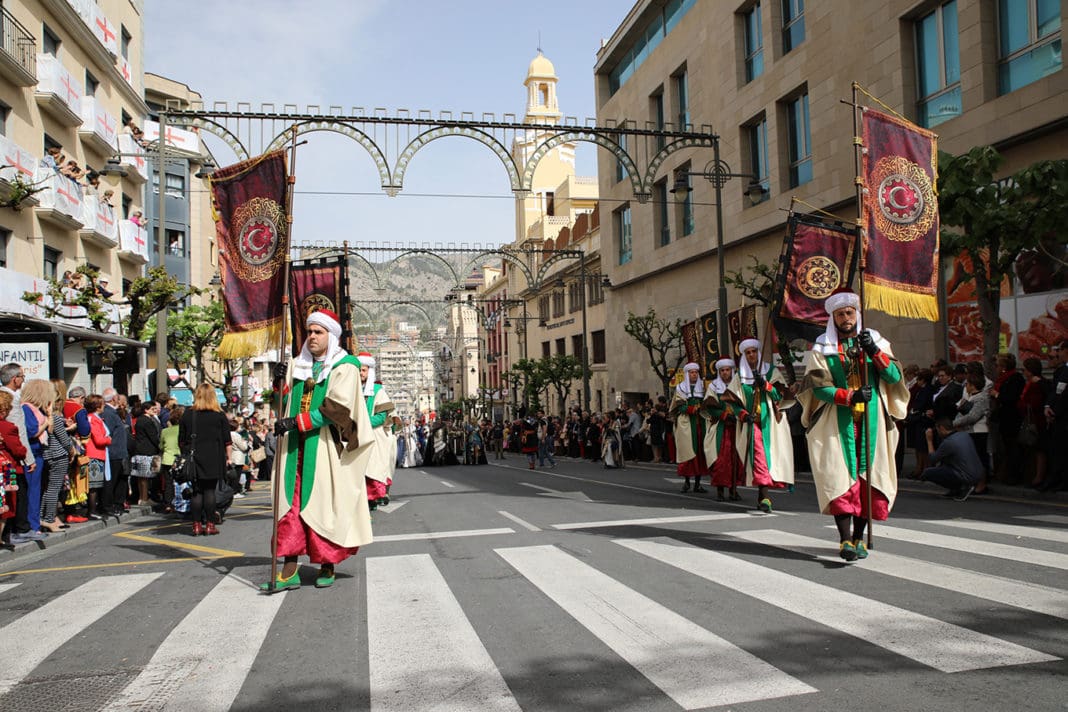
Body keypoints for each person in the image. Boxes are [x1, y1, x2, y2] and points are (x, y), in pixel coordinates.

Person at [266, 309, 374, 591]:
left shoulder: (346, 366)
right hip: (293, 448)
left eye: (318, 332)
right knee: (290, 506)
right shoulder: (296, 365)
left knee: (324, 506)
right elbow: (282, 403)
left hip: (326, 446)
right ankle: (289, 569)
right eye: (309, 332)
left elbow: (337, 409)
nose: (312, 337)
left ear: (331, 335)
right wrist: (277, 384)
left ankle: (327, 564)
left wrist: (296, 421)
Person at [797, 288, 909, 561]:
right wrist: (849, 396)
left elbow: (894, 377)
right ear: (833, 317)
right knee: (839, 480)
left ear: (856, 314)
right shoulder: (822, 347)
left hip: (872, 422)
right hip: (837, 421)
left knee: (869, 481)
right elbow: (818, 388)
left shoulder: (877, 342)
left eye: (849, 312)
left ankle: (859, 538)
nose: (846, 318)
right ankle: (844, 540)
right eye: (840, 314)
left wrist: (873, 351)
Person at [733, 338, 794, 513]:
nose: (751, 355)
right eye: (748, 353)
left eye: (754, 351)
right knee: (759, 458)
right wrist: (743, 415)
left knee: (771, 459)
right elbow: (733, 402)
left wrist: (765, 385)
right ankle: (765, 496)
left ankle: (762, 495)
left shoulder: (771, 371)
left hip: (771, 422)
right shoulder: (739, 377)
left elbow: (781, 395)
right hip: (753, 423)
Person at [357, 351, 395, 510]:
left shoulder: (378, 391)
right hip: (356, 435)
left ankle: (374, 497)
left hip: (375, 435)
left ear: (369, 371)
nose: (361, 373)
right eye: (358, 370)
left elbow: (382, 417)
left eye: (364, 370)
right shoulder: (352, 389)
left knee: (373, 468)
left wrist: (362, 423)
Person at [703, 358, 745, 502]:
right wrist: (723, 414)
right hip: (721, 428)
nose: (725, 373)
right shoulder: (713, 387)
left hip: (737, 427)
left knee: (736, 460)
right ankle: (720, 491)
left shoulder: (739, 385)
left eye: (727, 370)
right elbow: (709, 407)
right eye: (722, 370)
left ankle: (734, 489)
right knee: (721, 460)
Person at [670, 362, 712, 493]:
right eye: (691, 372)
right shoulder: (681, 388)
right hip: (687, 424)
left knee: (700, 453)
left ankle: (698, 483)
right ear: (687, 374)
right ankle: (687, 481)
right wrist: (692, 409)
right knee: (688, 452)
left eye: (696, 372)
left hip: (700, 424)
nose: (694, 374)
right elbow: (679, 406)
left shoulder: (704, 388)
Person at [921, 418, 984, 501]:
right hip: (978, 473)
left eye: (937, 430)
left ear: (942, 428)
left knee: (927, 473)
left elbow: (933, 459)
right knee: (945, 464)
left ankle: (962, 488)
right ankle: (956, 489)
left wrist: (929, 440)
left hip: (966, 476)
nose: (937, 433)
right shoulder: (964, 435)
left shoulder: (949, 442)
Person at [0, 391, 34, 543]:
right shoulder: (7, 427)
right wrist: (25, 453)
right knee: (9, 502)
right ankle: (5, 536)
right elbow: (18, 450)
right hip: (7, 468)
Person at [42, 380, 75, 531]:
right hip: (57, 454)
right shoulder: (53, 417)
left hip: (48, 454)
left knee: (48, 488)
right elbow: (64, 439)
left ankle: (45, 517)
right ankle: (49, 518)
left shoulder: (48, 416)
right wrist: (71, 450)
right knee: (54, 489)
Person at [100, 388, 129, 516]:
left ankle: (118, 504)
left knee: (121, 480)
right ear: (113, 399)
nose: (119, 400)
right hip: (113, 453)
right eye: (117, 397)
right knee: (111, 481)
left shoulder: (113, 412)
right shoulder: (108, 413)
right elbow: (108, 433)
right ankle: (108, 505)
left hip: (119, 453)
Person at [83, 394, 112, 522]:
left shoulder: (95, 418)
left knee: (96, 484)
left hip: (97, 454)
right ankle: (91, 511)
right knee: (93, 486)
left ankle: (93, 510)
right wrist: (108, 440)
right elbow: (99, 440)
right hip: (94, 454)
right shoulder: (93, 419)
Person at [131, 400, 162, 506]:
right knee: (145, 477)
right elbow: (154, 437)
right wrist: (160, 445)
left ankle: (141, 497)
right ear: (146, 410)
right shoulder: (148, 421)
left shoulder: (139, 420)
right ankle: (144, 498)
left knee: (141, 477)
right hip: (147, 451)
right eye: (152, 409)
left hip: (139, 451)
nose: (155, 411)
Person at [158, 407, 182, 513]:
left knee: (168, 483)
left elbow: (161, 446)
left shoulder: (165, 431)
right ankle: (181, 503)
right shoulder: (183, 429)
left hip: (167, 459)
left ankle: (168, 504)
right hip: (180, 459)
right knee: (181, 482)